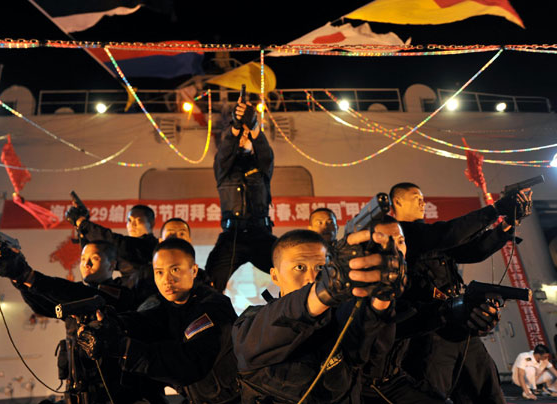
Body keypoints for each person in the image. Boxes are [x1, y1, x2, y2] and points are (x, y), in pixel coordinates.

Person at [390, 182, 533, 404]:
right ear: (396, 201)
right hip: (427, 334)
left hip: (461, 327)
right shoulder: (399, 236)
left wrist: (507, 225)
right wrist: (494, 209)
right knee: (432, 394)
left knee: (488, 393)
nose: (422, 202)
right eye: (415, 197)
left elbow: (473, 250)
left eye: (423, 197)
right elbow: (449, 234)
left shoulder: (433, 237)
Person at [232, 228, 405, 403]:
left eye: (320, 268)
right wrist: (324, 291)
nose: (311, 277)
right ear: (275, 276)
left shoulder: (339, 317)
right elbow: (286, 317)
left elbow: (370, 355)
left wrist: (381, 297)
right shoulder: (251, 325)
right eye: (300, 267)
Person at [0, 240, 160, 404]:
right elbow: (43, 305)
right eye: (83, 259)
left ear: (111, 264)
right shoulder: (71, 294)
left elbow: (79, 294)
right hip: (80, 391)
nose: (86, 264)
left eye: (95, 258)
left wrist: (27, 275)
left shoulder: (120, 294)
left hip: (115, 394)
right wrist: (19, 280)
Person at [77, 238, 240, 404]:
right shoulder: (170, 302)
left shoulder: (212, 306)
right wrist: (112, 323)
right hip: (200, 397)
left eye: (175, 270)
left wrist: (124, 348)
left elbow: (189, 364)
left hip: (229, 399)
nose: (166, 280)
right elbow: (146, 319)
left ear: (194, 270)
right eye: (159, 272)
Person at [205, 96, 277, 292]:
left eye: (248, 134)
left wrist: (253, 125)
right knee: (209, 282)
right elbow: (224, 153)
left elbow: (266, 154)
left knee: (290, 266)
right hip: (232, 237)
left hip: (261, 234)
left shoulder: (262, 167)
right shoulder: (223, 169)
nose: (244, 136)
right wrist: (235, 128)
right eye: (241, 135)